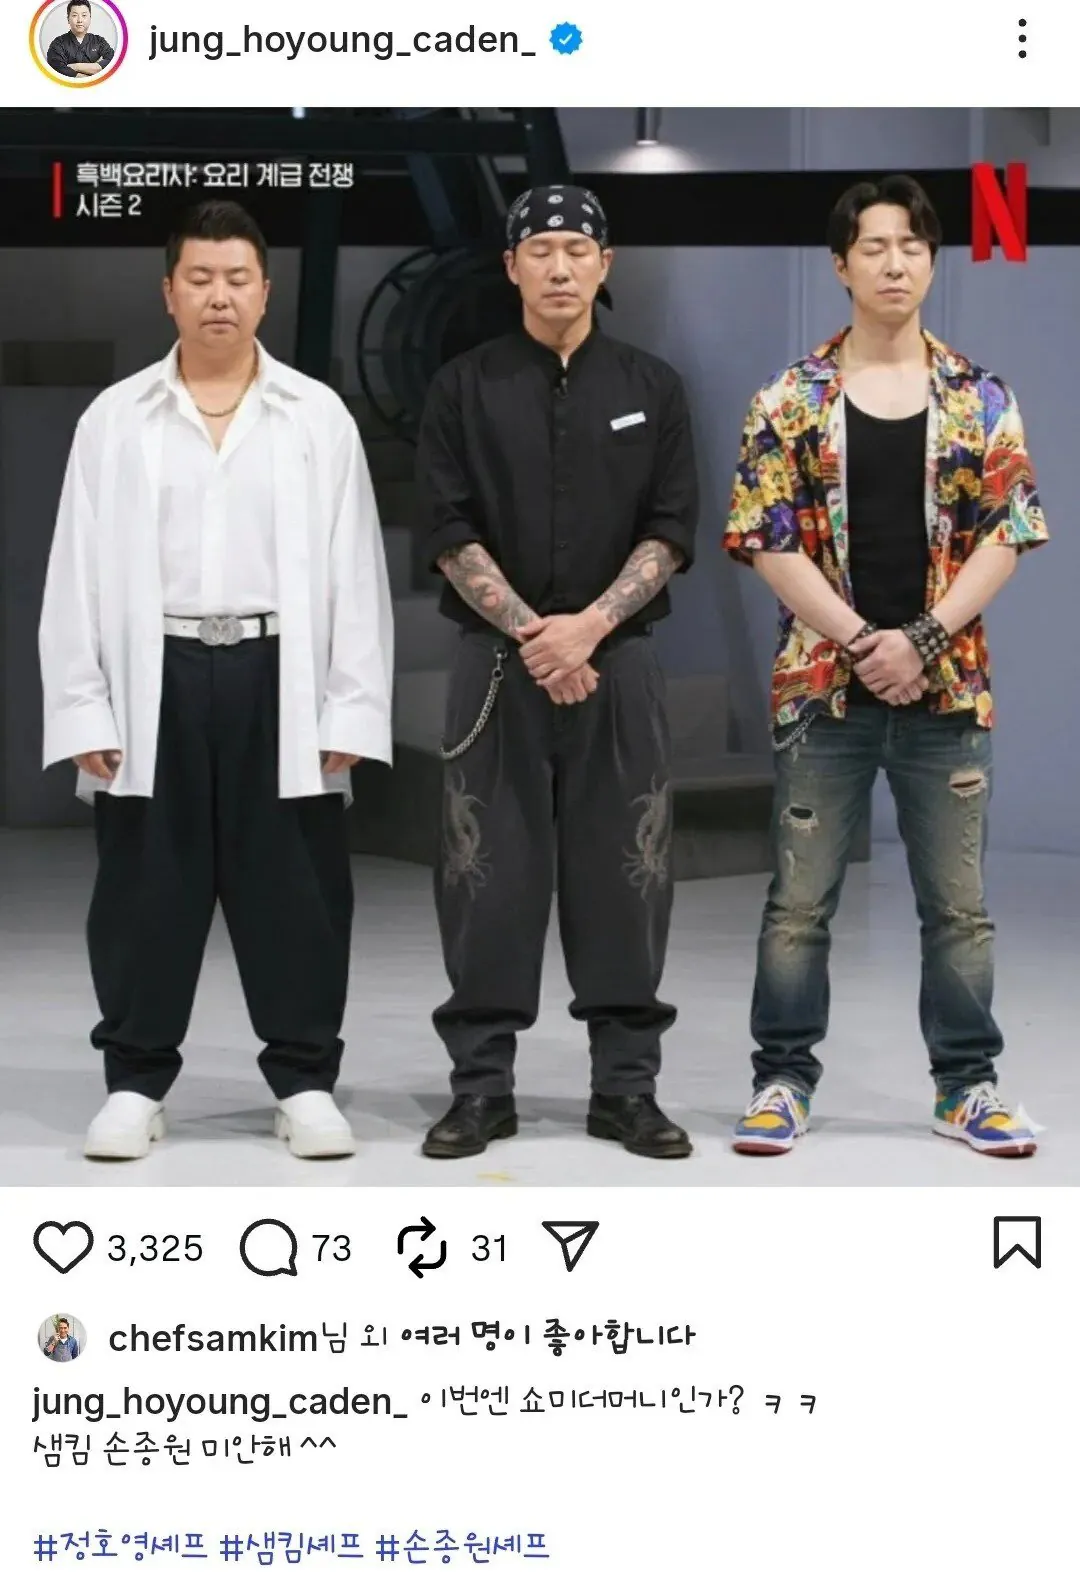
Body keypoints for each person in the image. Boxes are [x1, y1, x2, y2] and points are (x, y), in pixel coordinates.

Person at [39, 200, 393, 1161]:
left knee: (297, 887)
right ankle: (134, 1081)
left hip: (281, 672)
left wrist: (353, 702)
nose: (219, 296)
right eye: (200, 278)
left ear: (265, 292)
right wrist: (83, 704)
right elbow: (75, 568)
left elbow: (355, 564)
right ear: (169, 292)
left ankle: (305, 1081)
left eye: (237, 279)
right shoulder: (116, 418)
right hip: (154, 669)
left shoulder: (315, 414)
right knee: (145, 885)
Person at [723, 173, 1048, 1159]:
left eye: (912, 245)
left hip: (946, 693)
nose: (894, 263)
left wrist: (924, 641)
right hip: (823, 691)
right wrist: (866, 644)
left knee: (959, 910)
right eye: (874, 246)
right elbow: (765, 537)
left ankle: (967, 1087)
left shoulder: (981, 395)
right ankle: (782, 1081)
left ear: (933, 262)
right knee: (798, 903)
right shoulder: (790, 398)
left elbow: (1009, 530)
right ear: (841, 265)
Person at [414, 184, 699, 1161]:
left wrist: (589, 630)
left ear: (605, 264)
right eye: (540, 249)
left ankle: (626, 1088)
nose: (561, 266)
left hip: (619, 666)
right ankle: (480, 1087)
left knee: (629, 876)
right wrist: (540, 635)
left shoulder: (653, 386)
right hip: (497, 667)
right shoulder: (463, 386)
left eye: (579, 249)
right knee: (484, 875)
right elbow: (446, 528)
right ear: (511, 267)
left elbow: (672, 527)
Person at [47, 2, 115, 78]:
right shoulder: (58, 43)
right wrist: (90, 75)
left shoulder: (99, 41)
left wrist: (77, 66)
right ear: (68, 19)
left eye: (84, 15)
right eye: (74, 15)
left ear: (90, 18)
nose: (79, 20)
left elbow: (113, 60)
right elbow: (57, 68)